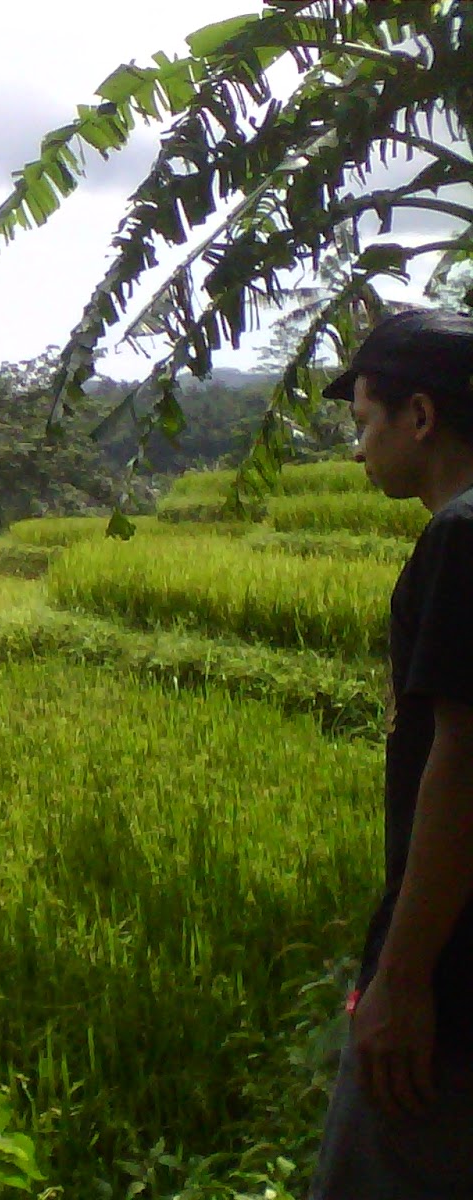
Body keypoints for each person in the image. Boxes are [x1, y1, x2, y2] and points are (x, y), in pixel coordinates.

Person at [308, 307, 473, 1197]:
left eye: (365, 422)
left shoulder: (462, 535)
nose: (358, 449)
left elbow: (465, 760)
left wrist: (402, 980)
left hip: (451, 983)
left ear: (419, 417)